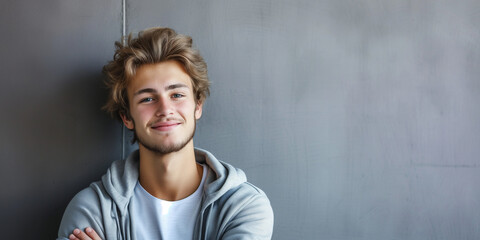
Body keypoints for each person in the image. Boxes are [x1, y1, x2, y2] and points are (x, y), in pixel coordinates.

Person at [57, 27, 274, 240]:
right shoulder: (92, 210)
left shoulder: (243, 206)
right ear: (127, 117)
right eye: (147, 99)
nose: (165, 109)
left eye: (177, 94)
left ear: (198, 105)